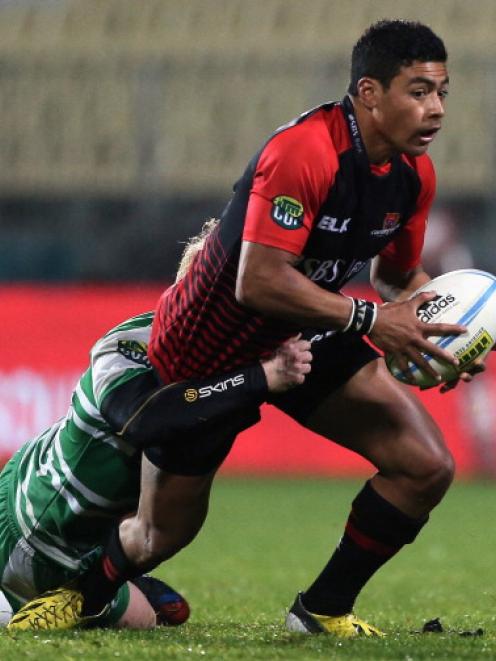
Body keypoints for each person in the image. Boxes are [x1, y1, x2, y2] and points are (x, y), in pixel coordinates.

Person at [10, 19, 479, 637]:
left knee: (425, 465)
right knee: (158, 535)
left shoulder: (414, 178)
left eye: (442, 92)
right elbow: (256, 282)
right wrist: (369, 318)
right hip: (208, 354)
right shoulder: (305, 152)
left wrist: (440, 333)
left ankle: (322, 610)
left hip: (307, 333)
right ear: (369, 92)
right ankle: (84, 594)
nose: (436, 109)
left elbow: (399, 278)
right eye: (419, 91)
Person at [2, 310, 311, 630]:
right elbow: (142, 420)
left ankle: (124, 579)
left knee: (158, 613)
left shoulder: (231, 358)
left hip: (64, 519)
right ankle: (117, 583)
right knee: (143, 618)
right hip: (40, 537)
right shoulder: (131, 343)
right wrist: (257, 379)